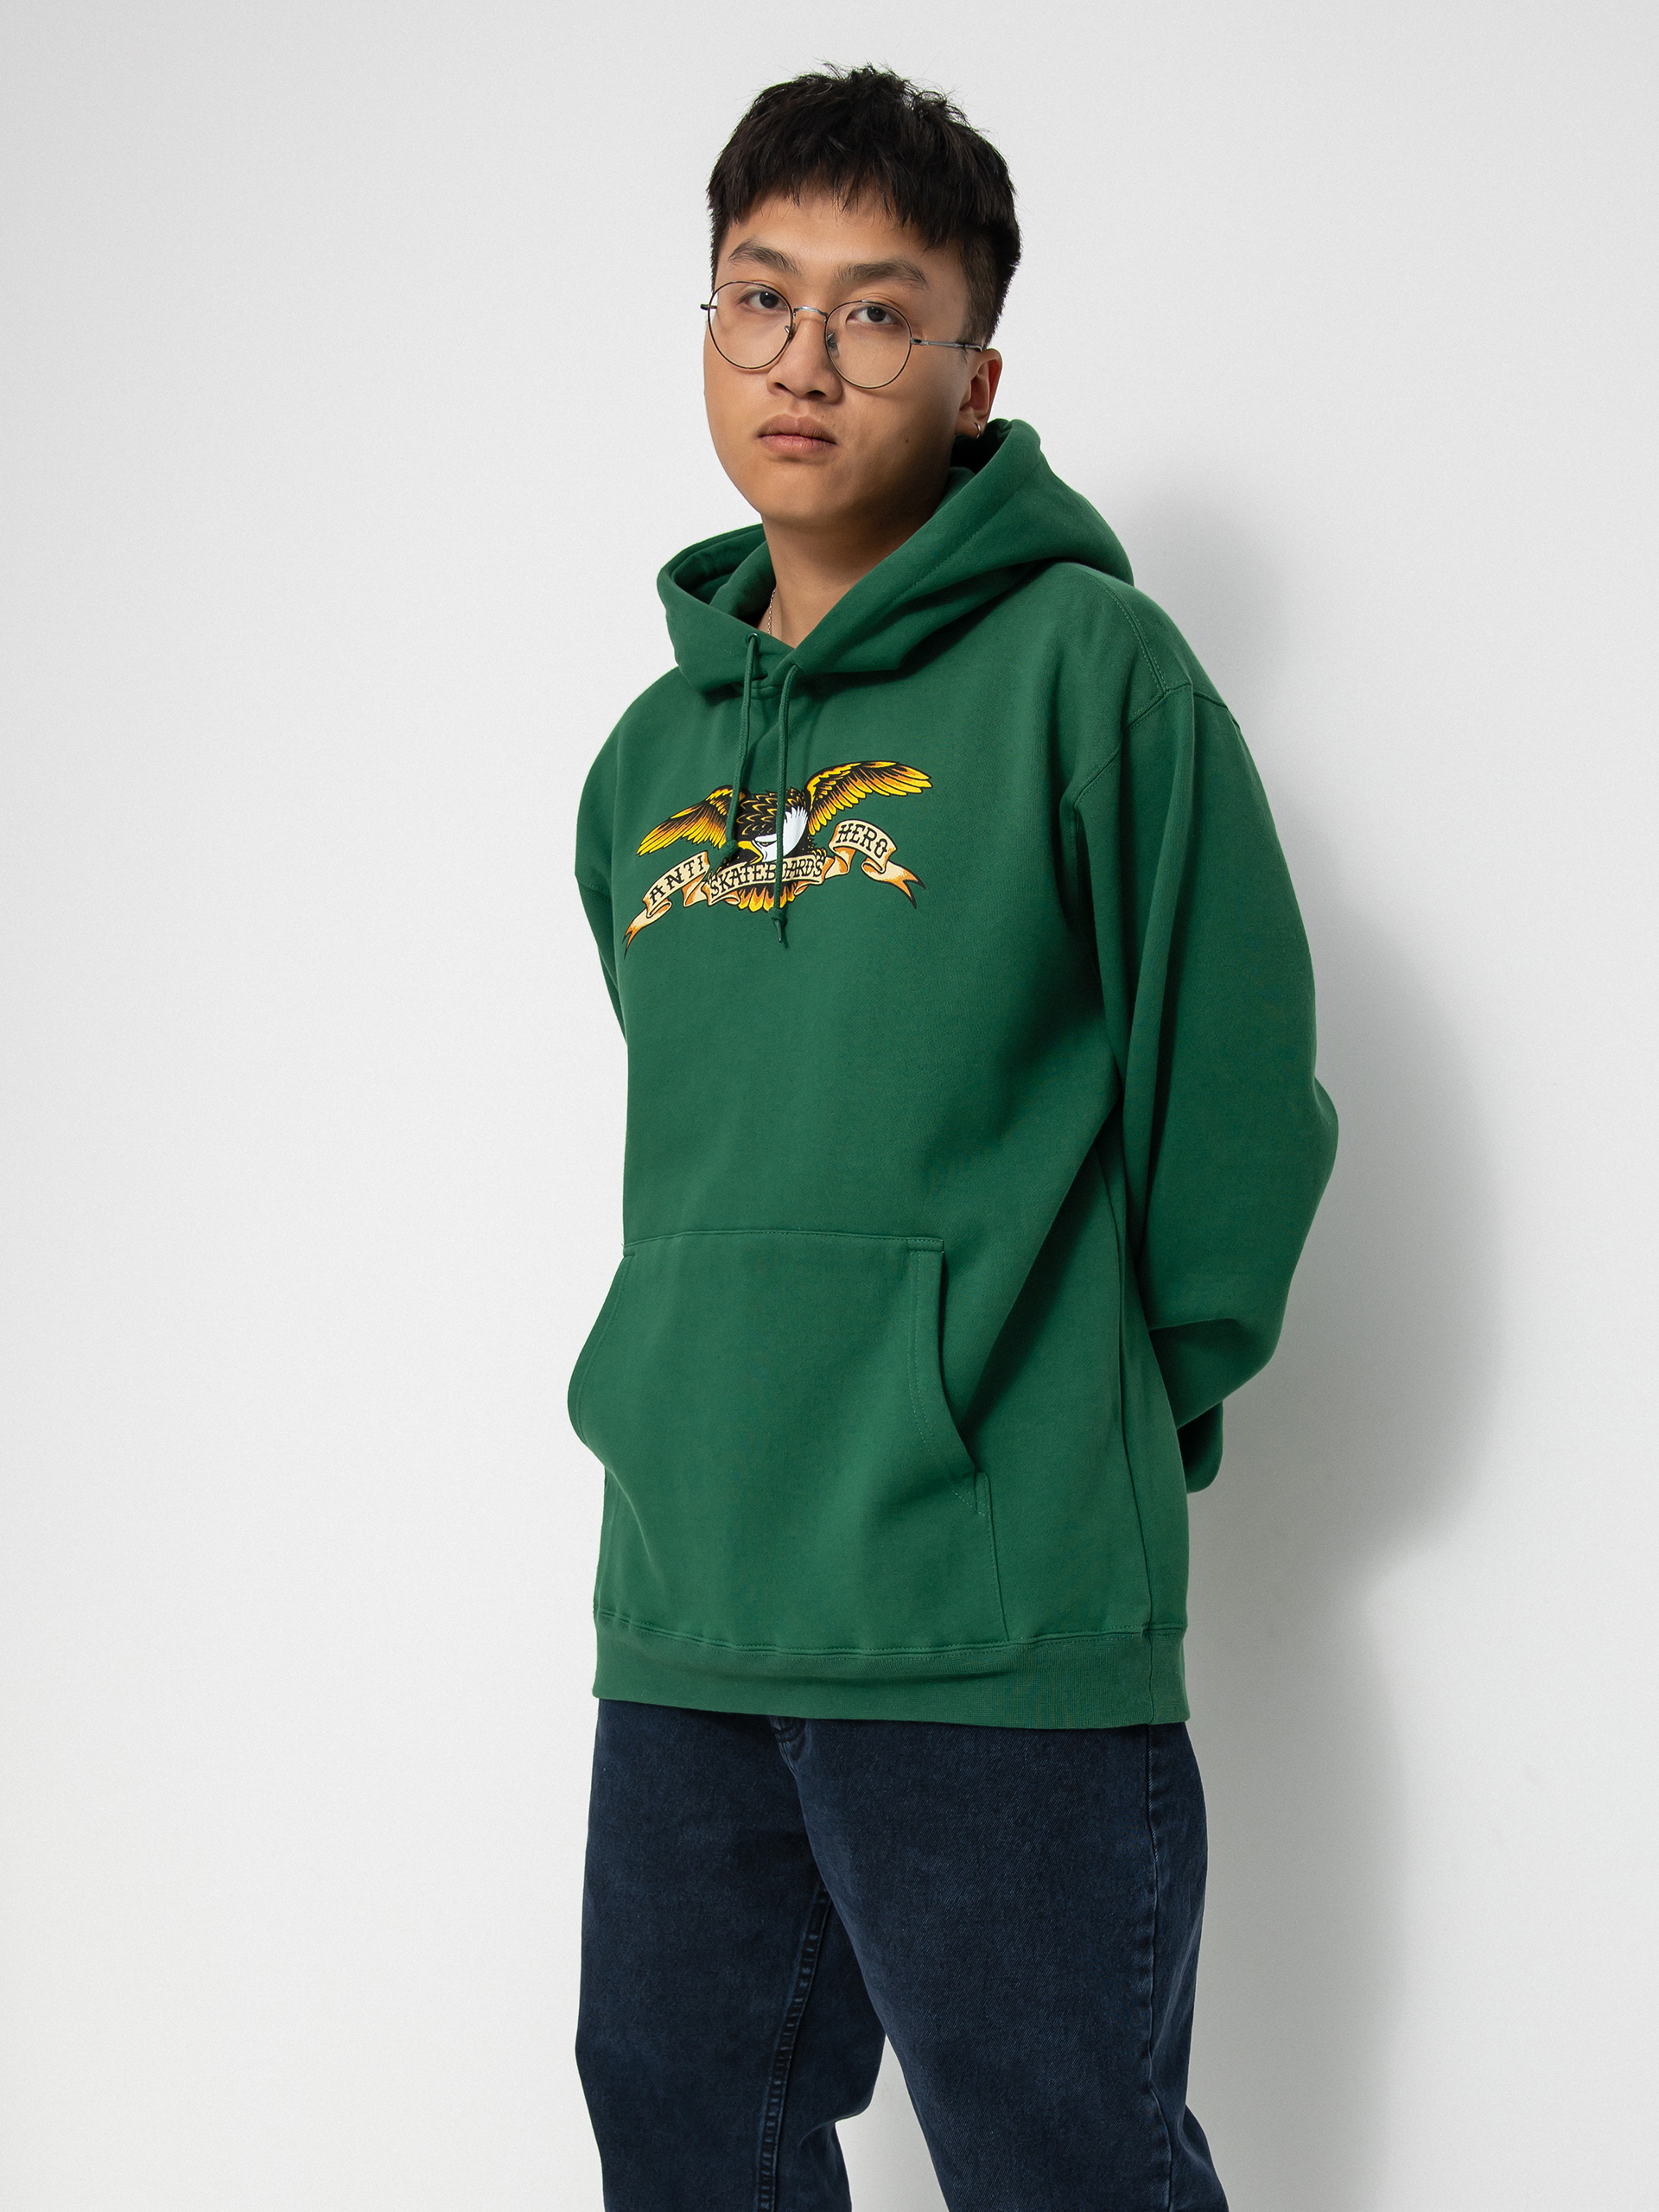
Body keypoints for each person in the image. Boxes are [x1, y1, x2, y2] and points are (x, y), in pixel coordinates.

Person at [568, 65, 1337, 2212]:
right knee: (685, 2141)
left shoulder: (1100, 678)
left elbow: (1237, 1120)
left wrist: (1069, 1427)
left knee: (1063, 2164)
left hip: (993, 1617)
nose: (803, 360)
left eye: (876, 312)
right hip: (691, 1596)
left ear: (974, 372)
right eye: (759, 297)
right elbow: (713, 1147)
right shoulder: (642, 763)